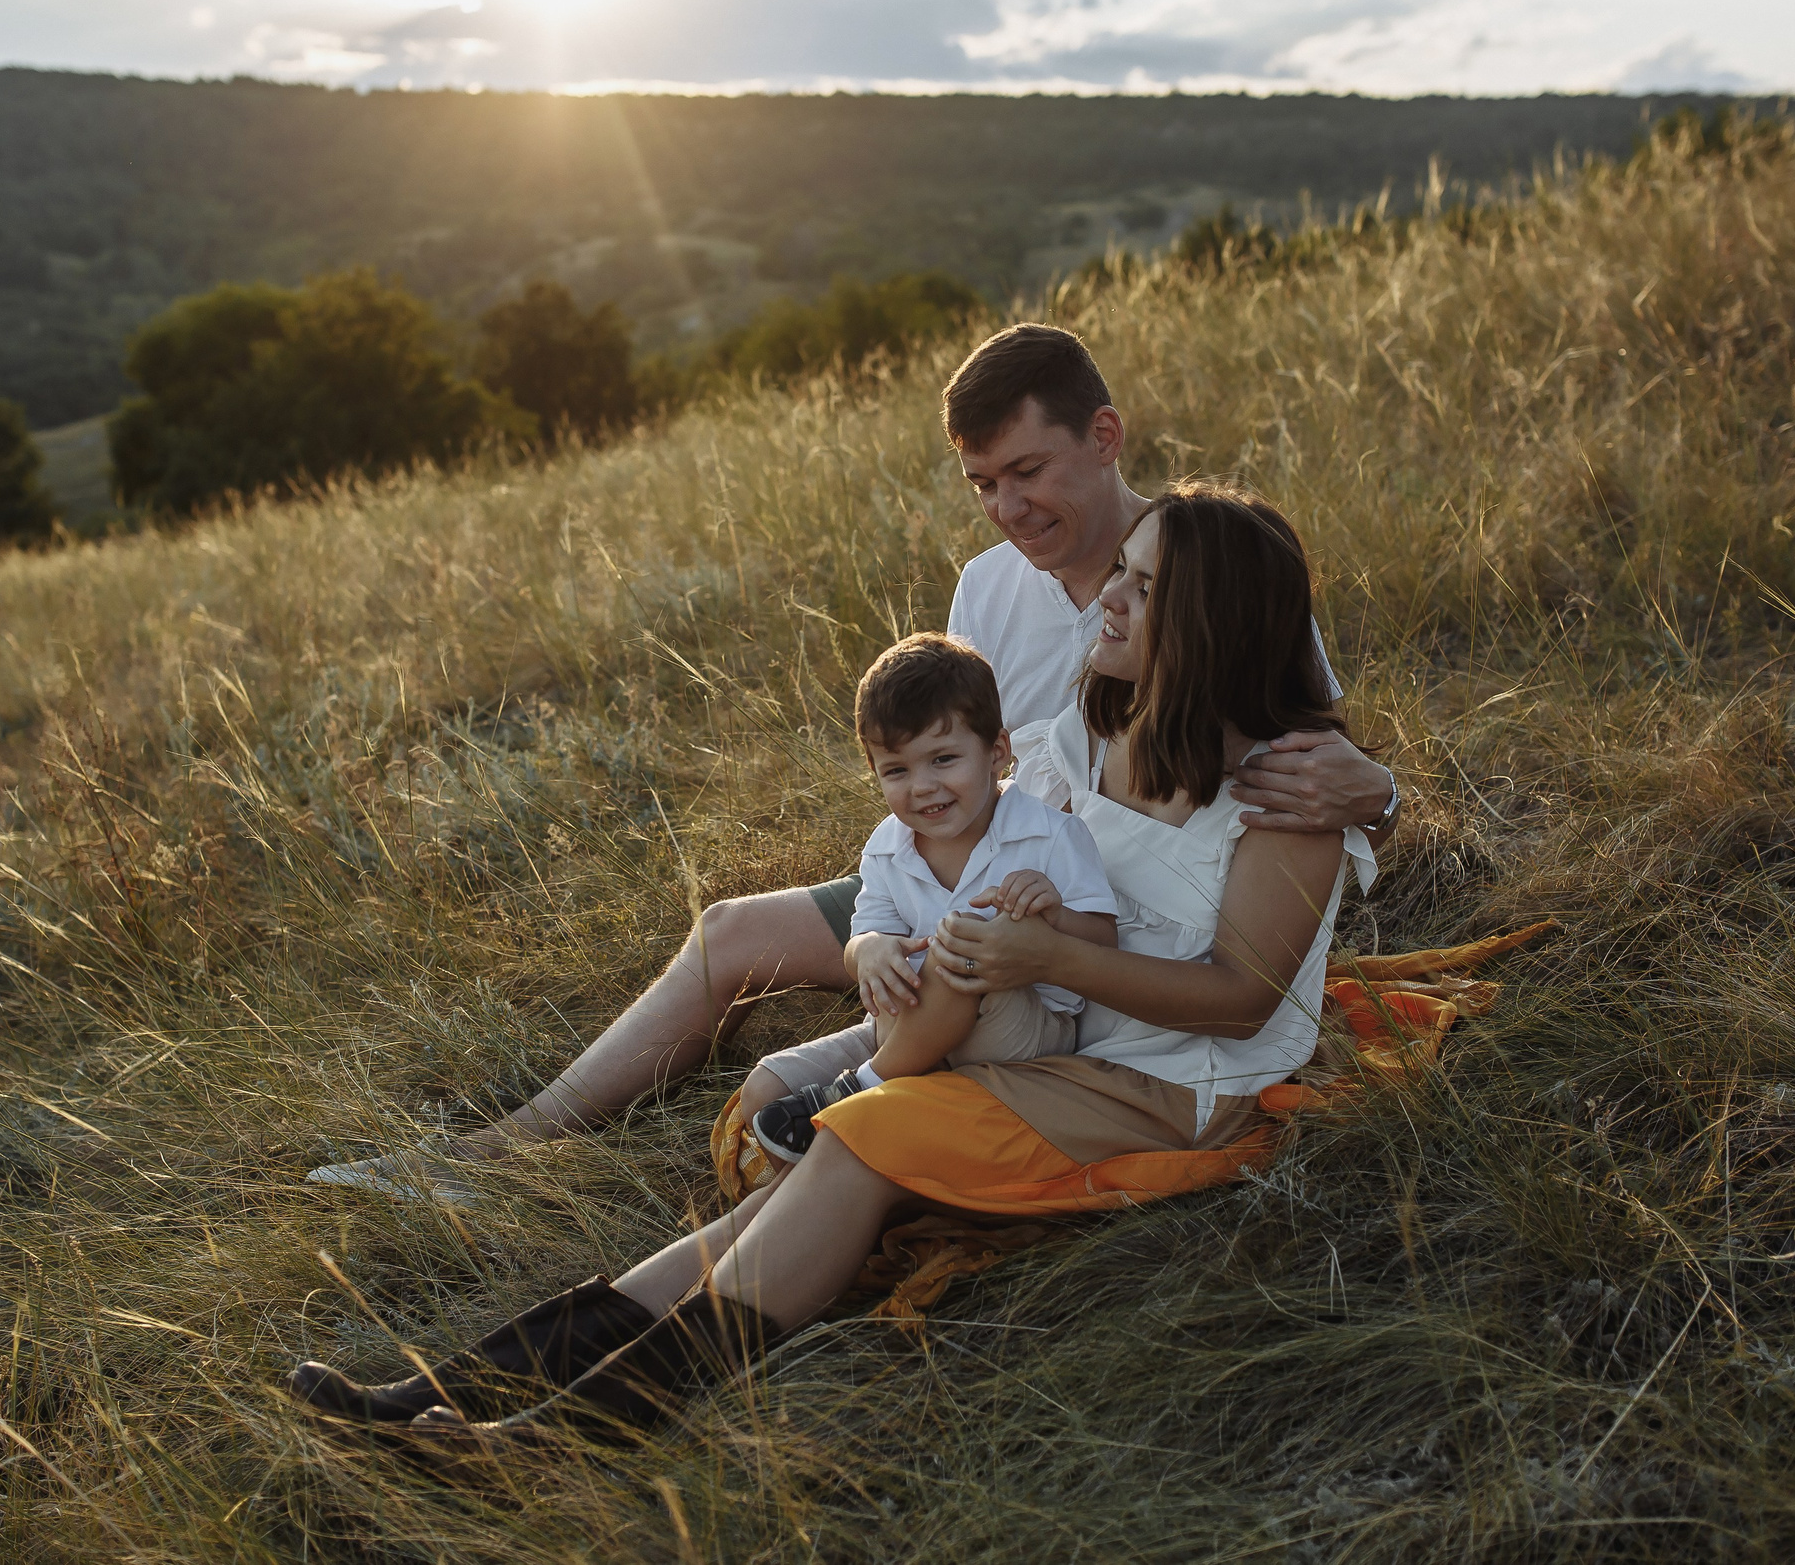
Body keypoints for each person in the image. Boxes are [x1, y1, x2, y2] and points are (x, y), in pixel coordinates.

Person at [287, 482, 1382, 1455]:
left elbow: (1242, 1004)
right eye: (1123, 577)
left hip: (1174, 1092)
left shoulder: (1287, 802)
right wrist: (901, 955)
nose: (1109, 600)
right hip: (1057, 1040)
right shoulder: (1100, 732)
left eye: (1140, 591)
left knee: (858, 1143)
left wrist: (1045, 954)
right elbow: (992, 865)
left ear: (1205, 626)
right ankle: (450, 1390)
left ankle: (556, 1442)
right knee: (759, 1208)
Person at [304, 324, 1398, 1203]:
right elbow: (951, 762)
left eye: (1028, 470)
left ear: (1103, 437)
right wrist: (890, 911)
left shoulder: (1208, 572)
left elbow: (1302, 758)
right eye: (981, 483)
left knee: (912, 1017)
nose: (1009, 508)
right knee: (733, 930)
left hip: (1101, 925)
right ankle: (494, 1159)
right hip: (978, 870)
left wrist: (1381, 792)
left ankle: (850, 1118)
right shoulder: (988, 588)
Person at [746, 631, 1117, 1164]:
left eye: (943, 759)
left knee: (961, 948)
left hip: (1019, 1033)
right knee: (765, 1088)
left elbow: (1105, 940)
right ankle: (808, 1195)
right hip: (911, 1026)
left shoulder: (1052, 836)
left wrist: (1055, 915)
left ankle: (865, 1088)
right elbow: (862, 939)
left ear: (997, 752)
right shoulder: (888, 847)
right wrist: (869, 950)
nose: (921, 786)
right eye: (896, 770)